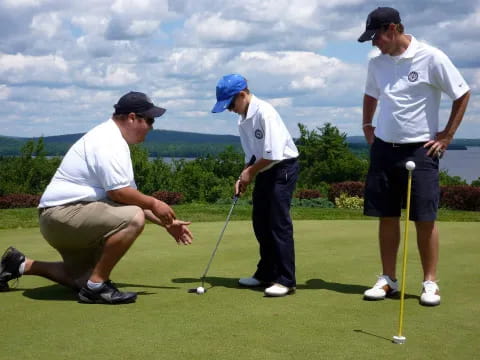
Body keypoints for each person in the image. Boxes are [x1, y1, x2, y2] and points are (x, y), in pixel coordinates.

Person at [0, 91, 193, 304]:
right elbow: (117, 194)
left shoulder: (112, 138)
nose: (152, 126)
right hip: (63, 215)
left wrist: (167, 223)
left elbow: (129, 198)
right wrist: (155, 203)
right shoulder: (109, 141)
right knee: (134, 217)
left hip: (62, 219)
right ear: (131, 118)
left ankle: (20, 264)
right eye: (149, 120)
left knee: (80, 280)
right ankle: (97, 287)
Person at [358, 7, 470, 306]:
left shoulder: (431, 57)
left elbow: (462, 93)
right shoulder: (376, 63)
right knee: (387, 215)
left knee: (424, 217)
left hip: (420, 149)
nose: (374, 43)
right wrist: (368, 126)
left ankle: (430, 282)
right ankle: (388, 279)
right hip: (384, 148)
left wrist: (446, 135)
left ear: (393, 29)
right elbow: (371, 95)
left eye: (377, 36)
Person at [212, 74, 300, 297]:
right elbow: (251, 154)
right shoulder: (242, 117)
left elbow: (273, 155)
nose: (230, 109)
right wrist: (243, 176)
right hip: (263, 168)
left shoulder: (265, 112)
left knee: (278, 223)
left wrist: (250, 172)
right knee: (260, 222)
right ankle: (266, 273)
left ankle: (286, 279)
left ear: (242, 95)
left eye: (231, 104)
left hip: (283, 168)